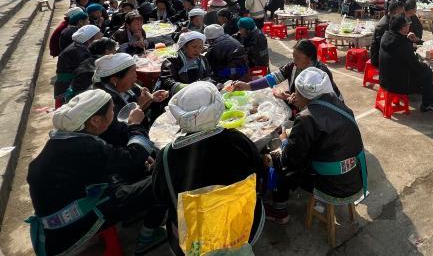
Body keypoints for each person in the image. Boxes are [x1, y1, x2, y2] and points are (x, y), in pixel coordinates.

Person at [27, 90, 167, 256]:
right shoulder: (84, 147)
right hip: (74, 224)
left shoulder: (63, 139)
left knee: (139, 170)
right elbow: (134, 156)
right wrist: (135, 125)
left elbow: (113, 159)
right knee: (162, 178)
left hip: (59, 218)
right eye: (112, 111)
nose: (114, 114)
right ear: (95, 120)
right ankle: (146, 238)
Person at [151, 82, 265, 254]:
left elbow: (161, 197)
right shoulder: (239, 141)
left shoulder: (166, 156)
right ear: (218, 110)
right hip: (243, 229)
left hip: (194, 242)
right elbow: (259, 179)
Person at [266, 67, 367, 224]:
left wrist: (284, 139)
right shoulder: (339, 104)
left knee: (279, 162)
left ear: (305, 95)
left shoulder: (306, 118)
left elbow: (291, 160)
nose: (294, 95)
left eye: (297, 92)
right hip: (354, 177)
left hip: (332, 185)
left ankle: (279, 211)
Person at [92, 53, 168, 147]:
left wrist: (150, 99)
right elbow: (121, 133)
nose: (136, 77)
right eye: (132, 73)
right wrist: (139, 105)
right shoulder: (104, 101)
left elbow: (136, 112)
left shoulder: (126, 89)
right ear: (114, 80)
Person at [230, 39, 341, 99]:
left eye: (297, 58)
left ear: (310, 58)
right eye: (293, 56)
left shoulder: (321, 73)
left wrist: (293, 99)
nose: (294, 60)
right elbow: (273, 77)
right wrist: (249, 86)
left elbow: (321, 101)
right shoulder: (293, 66)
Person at [379, 16, 433, 112]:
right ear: (402, 28)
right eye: (407, 25)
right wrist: (424, 65)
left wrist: (408, 39)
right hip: (397, 83)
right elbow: (414, 65)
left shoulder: (386, 35)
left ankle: (424, 95)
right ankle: (427, 104)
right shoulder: (402, 43)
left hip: (384, 78)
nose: (409, 27)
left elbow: (400, 50)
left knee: (423, 70)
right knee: (427, 72)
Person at [55, 25, 103, 107]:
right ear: (90, 38)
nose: (102, 35)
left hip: (67, 84)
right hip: (67, 86)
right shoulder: (78, 52)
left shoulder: (79, 47)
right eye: (99, 34)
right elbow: (86, 72)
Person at [67, 37, 118, 102]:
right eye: (114, 49)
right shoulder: (102, 67)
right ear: (107, 51)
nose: (116, 52)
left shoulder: (88, 61)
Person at [370, 0, 405, 67]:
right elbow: (384, 45)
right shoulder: (383, 25)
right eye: (401, 13)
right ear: (395, 12)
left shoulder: (391, 20)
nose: (402, 16)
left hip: (387, 53)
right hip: (379, 58)